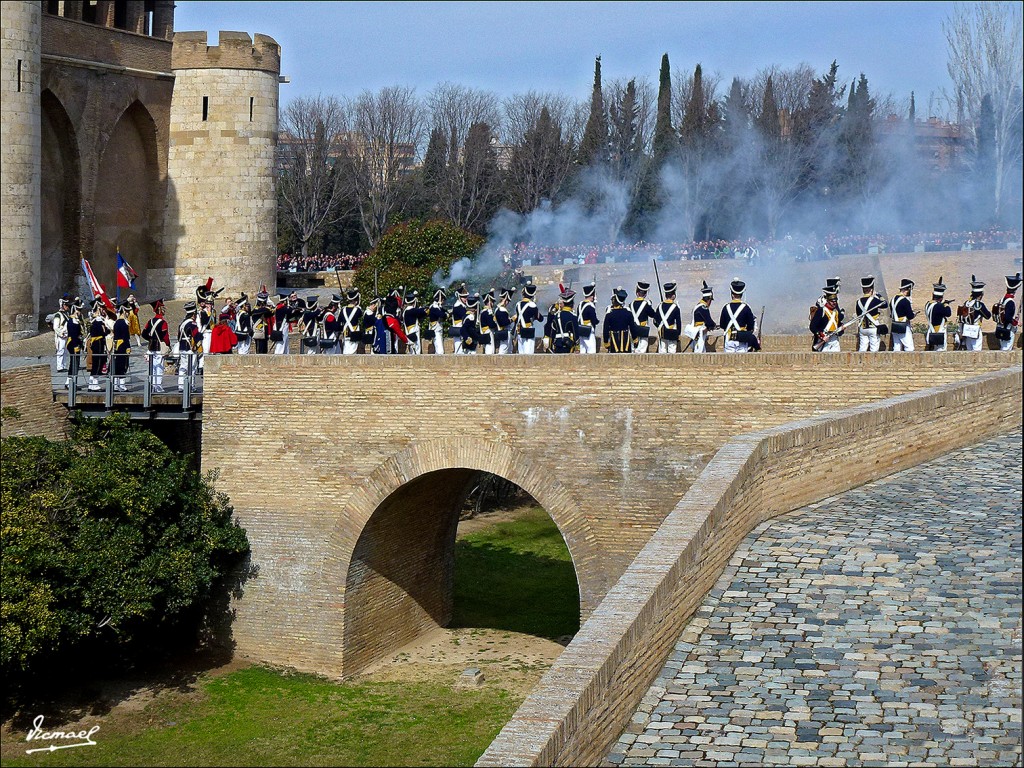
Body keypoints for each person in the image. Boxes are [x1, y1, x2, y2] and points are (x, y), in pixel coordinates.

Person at [719, 278, 759, 353]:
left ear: (731, 293)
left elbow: (722, 325)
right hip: (742, 338)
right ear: (742, 293)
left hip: (729, 338)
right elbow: (751, 326)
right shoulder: (746, 308)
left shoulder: (726, 307)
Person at [141, 299, 170, 392]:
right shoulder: (163, 322)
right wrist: (168, 345)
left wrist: (150, 339)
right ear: (160, 310)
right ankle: (158, 386)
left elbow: (144, 334)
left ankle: (153, 385)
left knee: (152, 367)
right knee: (159, 367)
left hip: (151, 346)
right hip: (159, 347)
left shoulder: (150, 321)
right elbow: (166, 337)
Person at [957, 275, 991, 352]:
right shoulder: (978, 305)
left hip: (966, 329)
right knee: (976, 350)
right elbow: (987, 316)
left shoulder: (967, 302)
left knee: (969, 350)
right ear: (980, 295)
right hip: (975, 329)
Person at [855, 276, 887, 353]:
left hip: (863, 327)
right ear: (871, 289)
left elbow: (858, 314)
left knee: (862, 348)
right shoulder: (875, 300)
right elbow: (885, 304)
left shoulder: (858, 302)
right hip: (873, 327)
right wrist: (878, 295)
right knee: (874, 349)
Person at [809, 283, 845, 352]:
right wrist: (822, 336)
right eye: (832, 301)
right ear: (827, 300)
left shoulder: (836, 312)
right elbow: (812, 327)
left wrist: (841, 329)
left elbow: (837, 325)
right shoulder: (821, 311)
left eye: (835, 301)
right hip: (823, 339)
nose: (834, 303)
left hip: (834, 340)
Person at [176, 301, 202, 391]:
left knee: (183, 367)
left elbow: (178, 336)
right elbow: (196, 336)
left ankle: (181, 386)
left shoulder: (182, 323)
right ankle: (191, 386)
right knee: (192, 368)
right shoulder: (192, 323)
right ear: (193, 314)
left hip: (182, 347)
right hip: (190, 348)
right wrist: (199, 345)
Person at [993, 271, 1021, 351]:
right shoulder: (1010, 302)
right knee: (1006, 349)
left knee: (1004, 348)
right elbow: (1007, 317)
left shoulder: (1002, 299)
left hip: (1000, 327)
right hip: (1007, 329)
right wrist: (1016, 322)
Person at [923, 276, 952, 351]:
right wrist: (946, 304)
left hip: (931, 330)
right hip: (939, 331)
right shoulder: (939, 306)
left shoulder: (928, 304)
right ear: (941, 297)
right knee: (941, 350)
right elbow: (948, 313)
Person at [603, 287, 636, 353]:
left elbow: (605, 330)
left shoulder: (609, 315)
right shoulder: (628, 313)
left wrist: (606, 342)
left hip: (614, 341)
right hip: (626, 340)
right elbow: (632, 328)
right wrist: (635, 338)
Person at [86, 301, 109, 391]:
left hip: (99, 343)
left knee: (98, 362)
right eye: (100, 309)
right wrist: (106, 331)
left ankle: (92, 383)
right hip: (98, 343)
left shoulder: (97, 321)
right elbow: (103, 332)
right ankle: (94, 384)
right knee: (97, 363)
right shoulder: (97, 322)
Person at [688, 281, 717, 353]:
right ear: (709, 299)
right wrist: (714, 325)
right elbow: (709, 321)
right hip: (699, 333)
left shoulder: (698, 305)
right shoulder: (703, 308)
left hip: (697, 332)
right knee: (700, 352)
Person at [514, 283, 543, 355]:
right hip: (528, 330)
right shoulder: (532, 305)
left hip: (519, 330)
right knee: (528, 352)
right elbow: (540, 318)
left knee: (521, 351)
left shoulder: (518, 304)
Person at [629, 281, 657, 353]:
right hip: (643, 329)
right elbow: (653, 315)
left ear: (637, 292)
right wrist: (650, 306)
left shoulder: (630, 304)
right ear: (645, 294)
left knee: (633, 349)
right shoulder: (646, 304)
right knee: (642, 350)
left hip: (633, 330)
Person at [889, 279, 916, 351]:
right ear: (908, 289)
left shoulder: (892, 299)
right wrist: (914, 314)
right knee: (909, 347)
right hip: (903, 325)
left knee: (897, 347)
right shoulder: (905, 301)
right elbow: (910, 316)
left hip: (894, 325)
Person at [655, 281, 683, 353]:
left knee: (662, 351)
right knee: (672, 351)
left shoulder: (659, 306)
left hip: (662, 332)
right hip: (672, 332)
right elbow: (678, 322)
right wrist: (678, 333)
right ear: (673, 295)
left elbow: (655, 320)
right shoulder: (675, 307)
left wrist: (660, 327)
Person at [111, 302, 132, 391]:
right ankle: (122, 385)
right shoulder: (123, 323)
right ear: (123, 311)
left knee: (117, 364)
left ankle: (116, 384)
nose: (128, 313)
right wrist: (128, 347)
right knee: (123, 364)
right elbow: (125, 337)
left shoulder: (117, 322)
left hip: (117, 345)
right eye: (127, 311)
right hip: (123, 345)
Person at [576, 283, 600, 354]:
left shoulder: (580, 304)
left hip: (580, 329)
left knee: (582, 350)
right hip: (588, 330)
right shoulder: (590, 306)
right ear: (592, 295)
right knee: (591, 350)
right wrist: (597, 321)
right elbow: (594, 319)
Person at [64, 303, 83, 390]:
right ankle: (70, 382)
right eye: (78, 310)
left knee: (75, 363)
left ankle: (70, 382)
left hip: (76, 342)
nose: (79, 312)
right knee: (74, 362)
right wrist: (76, 345)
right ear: (75, 311)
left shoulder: (76, 320)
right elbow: (73, 335)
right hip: (72, 343)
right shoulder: (71, 321)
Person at [340, 289, 364, 355]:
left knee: (346, 349)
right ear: (356, 300)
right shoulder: (358, 310)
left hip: (346, 332)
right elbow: (360, 315)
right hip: (354, 332)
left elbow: (340, 320)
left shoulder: (343, 310)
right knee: (353, 351)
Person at [52, 296, 71, 372]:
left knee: (65, 351)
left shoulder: (67, 314)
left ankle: (63, 365)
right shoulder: (58, 315)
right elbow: (55, 327)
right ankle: (59, 367)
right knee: (60, 350)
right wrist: (61, 333)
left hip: (66, 335)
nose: (67, 307)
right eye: (66, 305)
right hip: (61, 336)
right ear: (62, 305)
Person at [494, 288, 516, 354]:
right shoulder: (501, 310)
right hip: (504, 331)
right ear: (505, 300)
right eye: (508, 301)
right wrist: (513, 318)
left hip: (505, 331)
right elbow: (504, 323)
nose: (508, 303)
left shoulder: (499, 308)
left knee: (509, 349)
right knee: (503, 349)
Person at [450, 285, 469, 355]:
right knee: (459, 349)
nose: (465, 299)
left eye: (466, 297)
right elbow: (464, 316)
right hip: (459, 328)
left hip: (462, 328)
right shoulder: (458, 306)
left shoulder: (462, 306)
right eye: (464, 297)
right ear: (459, 297)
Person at [428, 288, 448, 354]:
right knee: (440, 350)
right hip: (435, 329)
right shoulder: (434, 307)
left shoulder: (437, 307)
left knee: (439, 349)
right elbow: (442, 315)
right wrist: (446, 314)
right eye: (442, 299)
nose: (443, 301)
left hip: (438, 328)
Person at [478, 290, 497, 354]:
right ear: (490, 302)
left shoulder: (482, 312)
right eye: (492, 301)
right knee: (490, 350)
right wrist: (496, 324)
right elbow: (491, 324)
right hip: (488, 332)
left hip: (484, 332)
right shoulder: (488, 312)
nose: (493, 303)